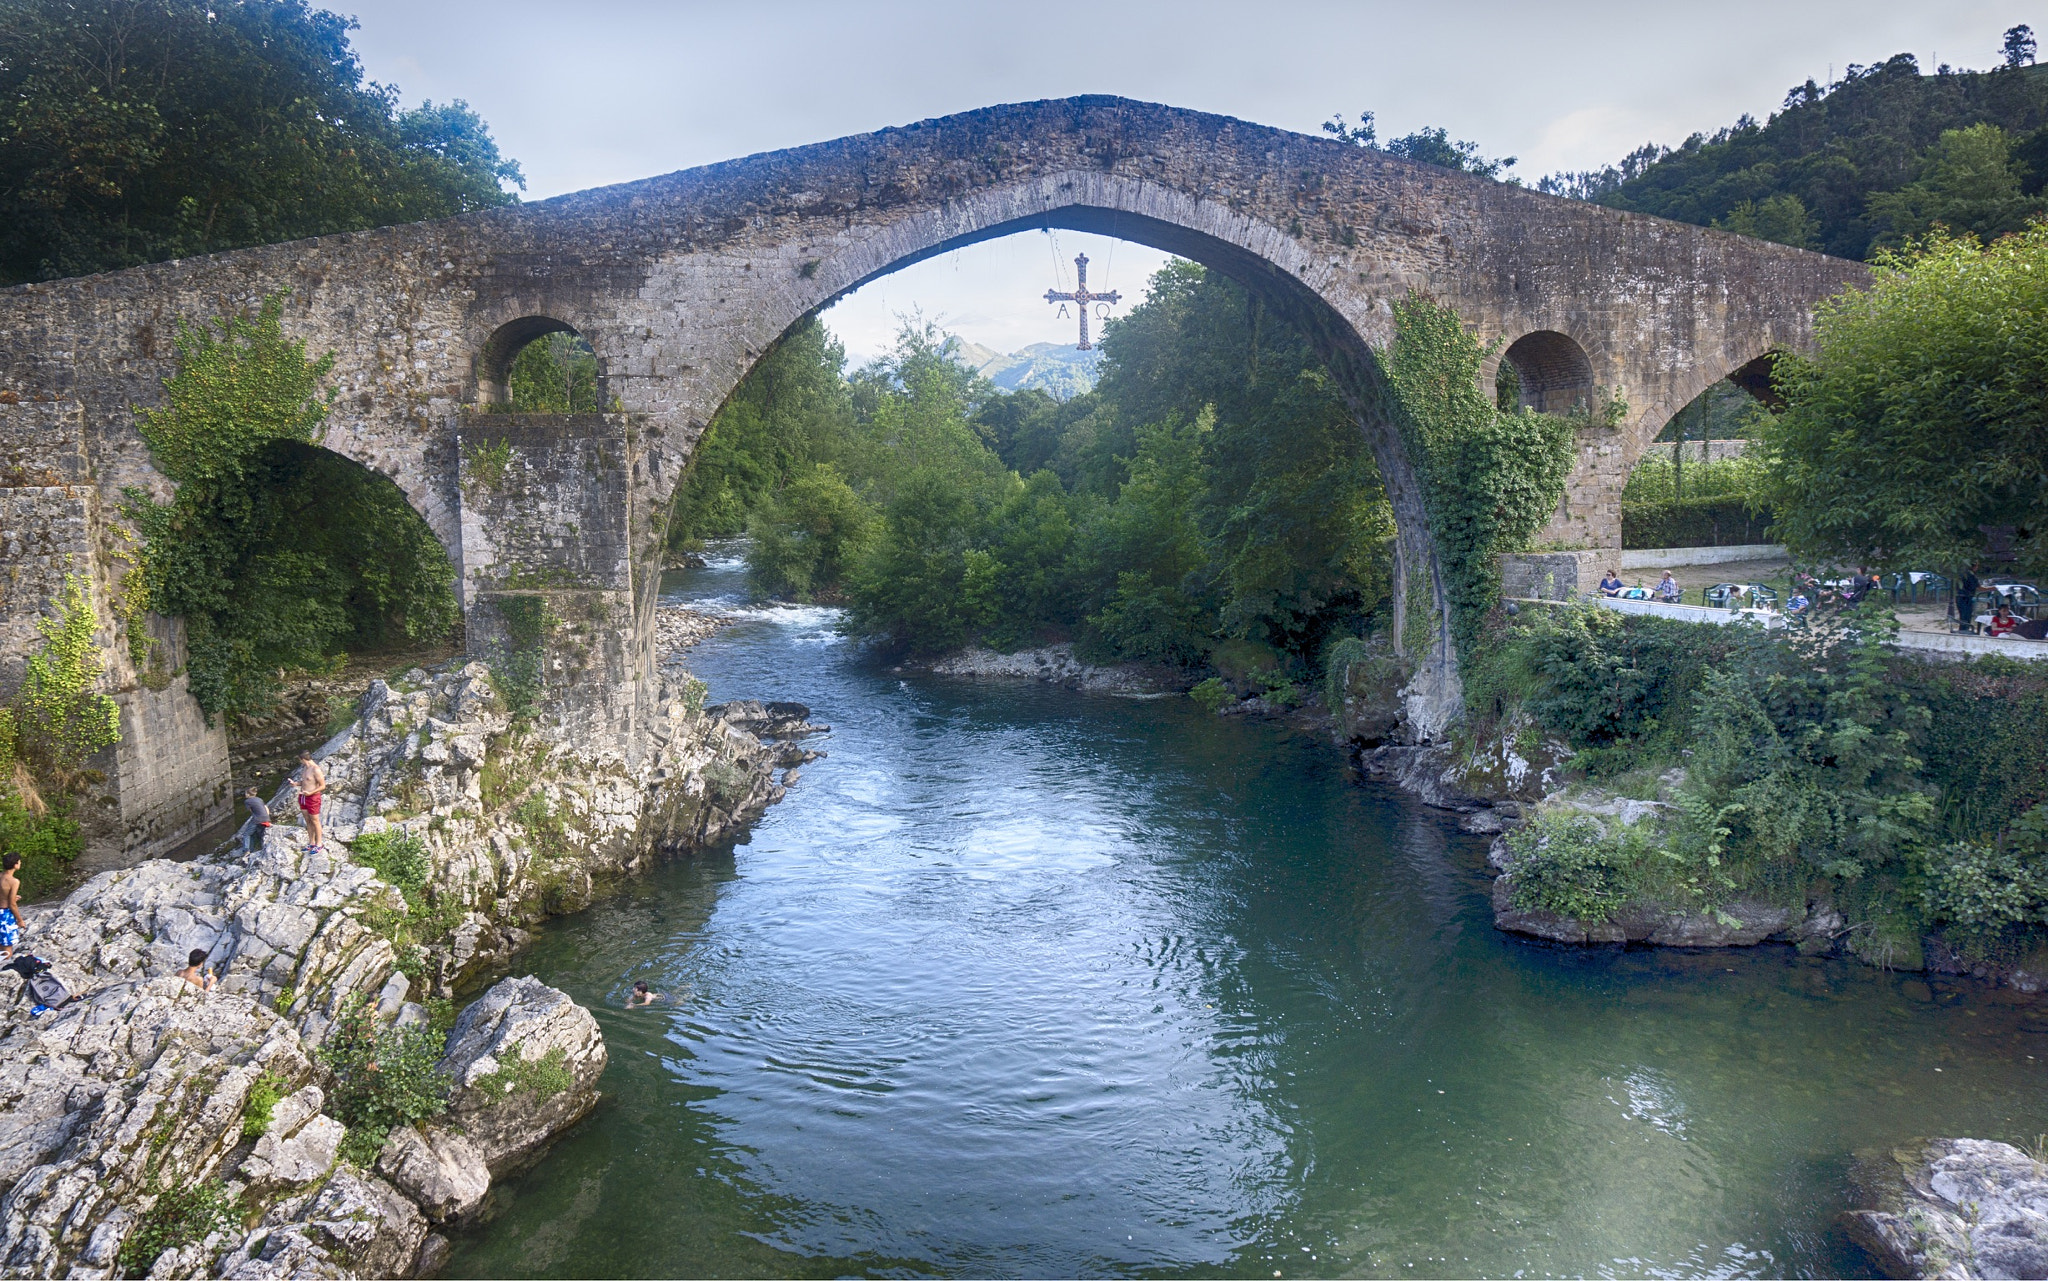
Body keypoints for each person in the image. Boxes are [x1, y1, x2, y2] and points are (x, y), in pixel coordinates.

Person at [292, 751, 326, 851]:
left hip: (313, 798)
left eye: (299, 760)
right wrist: (296, 783)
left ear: (302, 759)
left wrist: (310, 793)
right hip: (303, 797)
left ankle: (319, 843)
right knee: (307, 820)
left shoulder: (316, 769)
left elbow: (323, 786)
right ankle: (311, 842)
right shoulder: (305, 768)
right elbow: (306, 781)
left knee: (315, 820)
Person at [0, 853, 19, 962]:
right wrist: (20, 920)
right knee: (7, 951)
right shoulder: (14, 881)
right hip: (5, 916)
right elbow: (12, 904)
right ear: (15, 864)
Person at [243, 786, 271, 855]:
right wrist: (266, 818)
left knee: (246, 834)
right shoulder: (260, 799)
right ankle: (257, 848)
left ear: (248, 794)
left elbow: (251, 811)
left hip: (257, 819)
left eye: (245, 793)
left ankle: (247, 850)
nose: (244, 795)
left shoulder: (247, 801)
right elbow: (266, 808)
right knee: (257, 833)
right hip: (266, 818)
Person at [1958, 562, 1981, 633]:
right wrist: (1993, 588)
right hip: (1966, 598)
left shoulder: (1963, 574)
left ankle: (1964, 630)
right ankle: (1964, 631)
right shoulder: (1971, 575)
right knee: (1966, 617)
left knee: (1964, 617)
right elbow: (1979, 588)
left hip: (1960, 597)